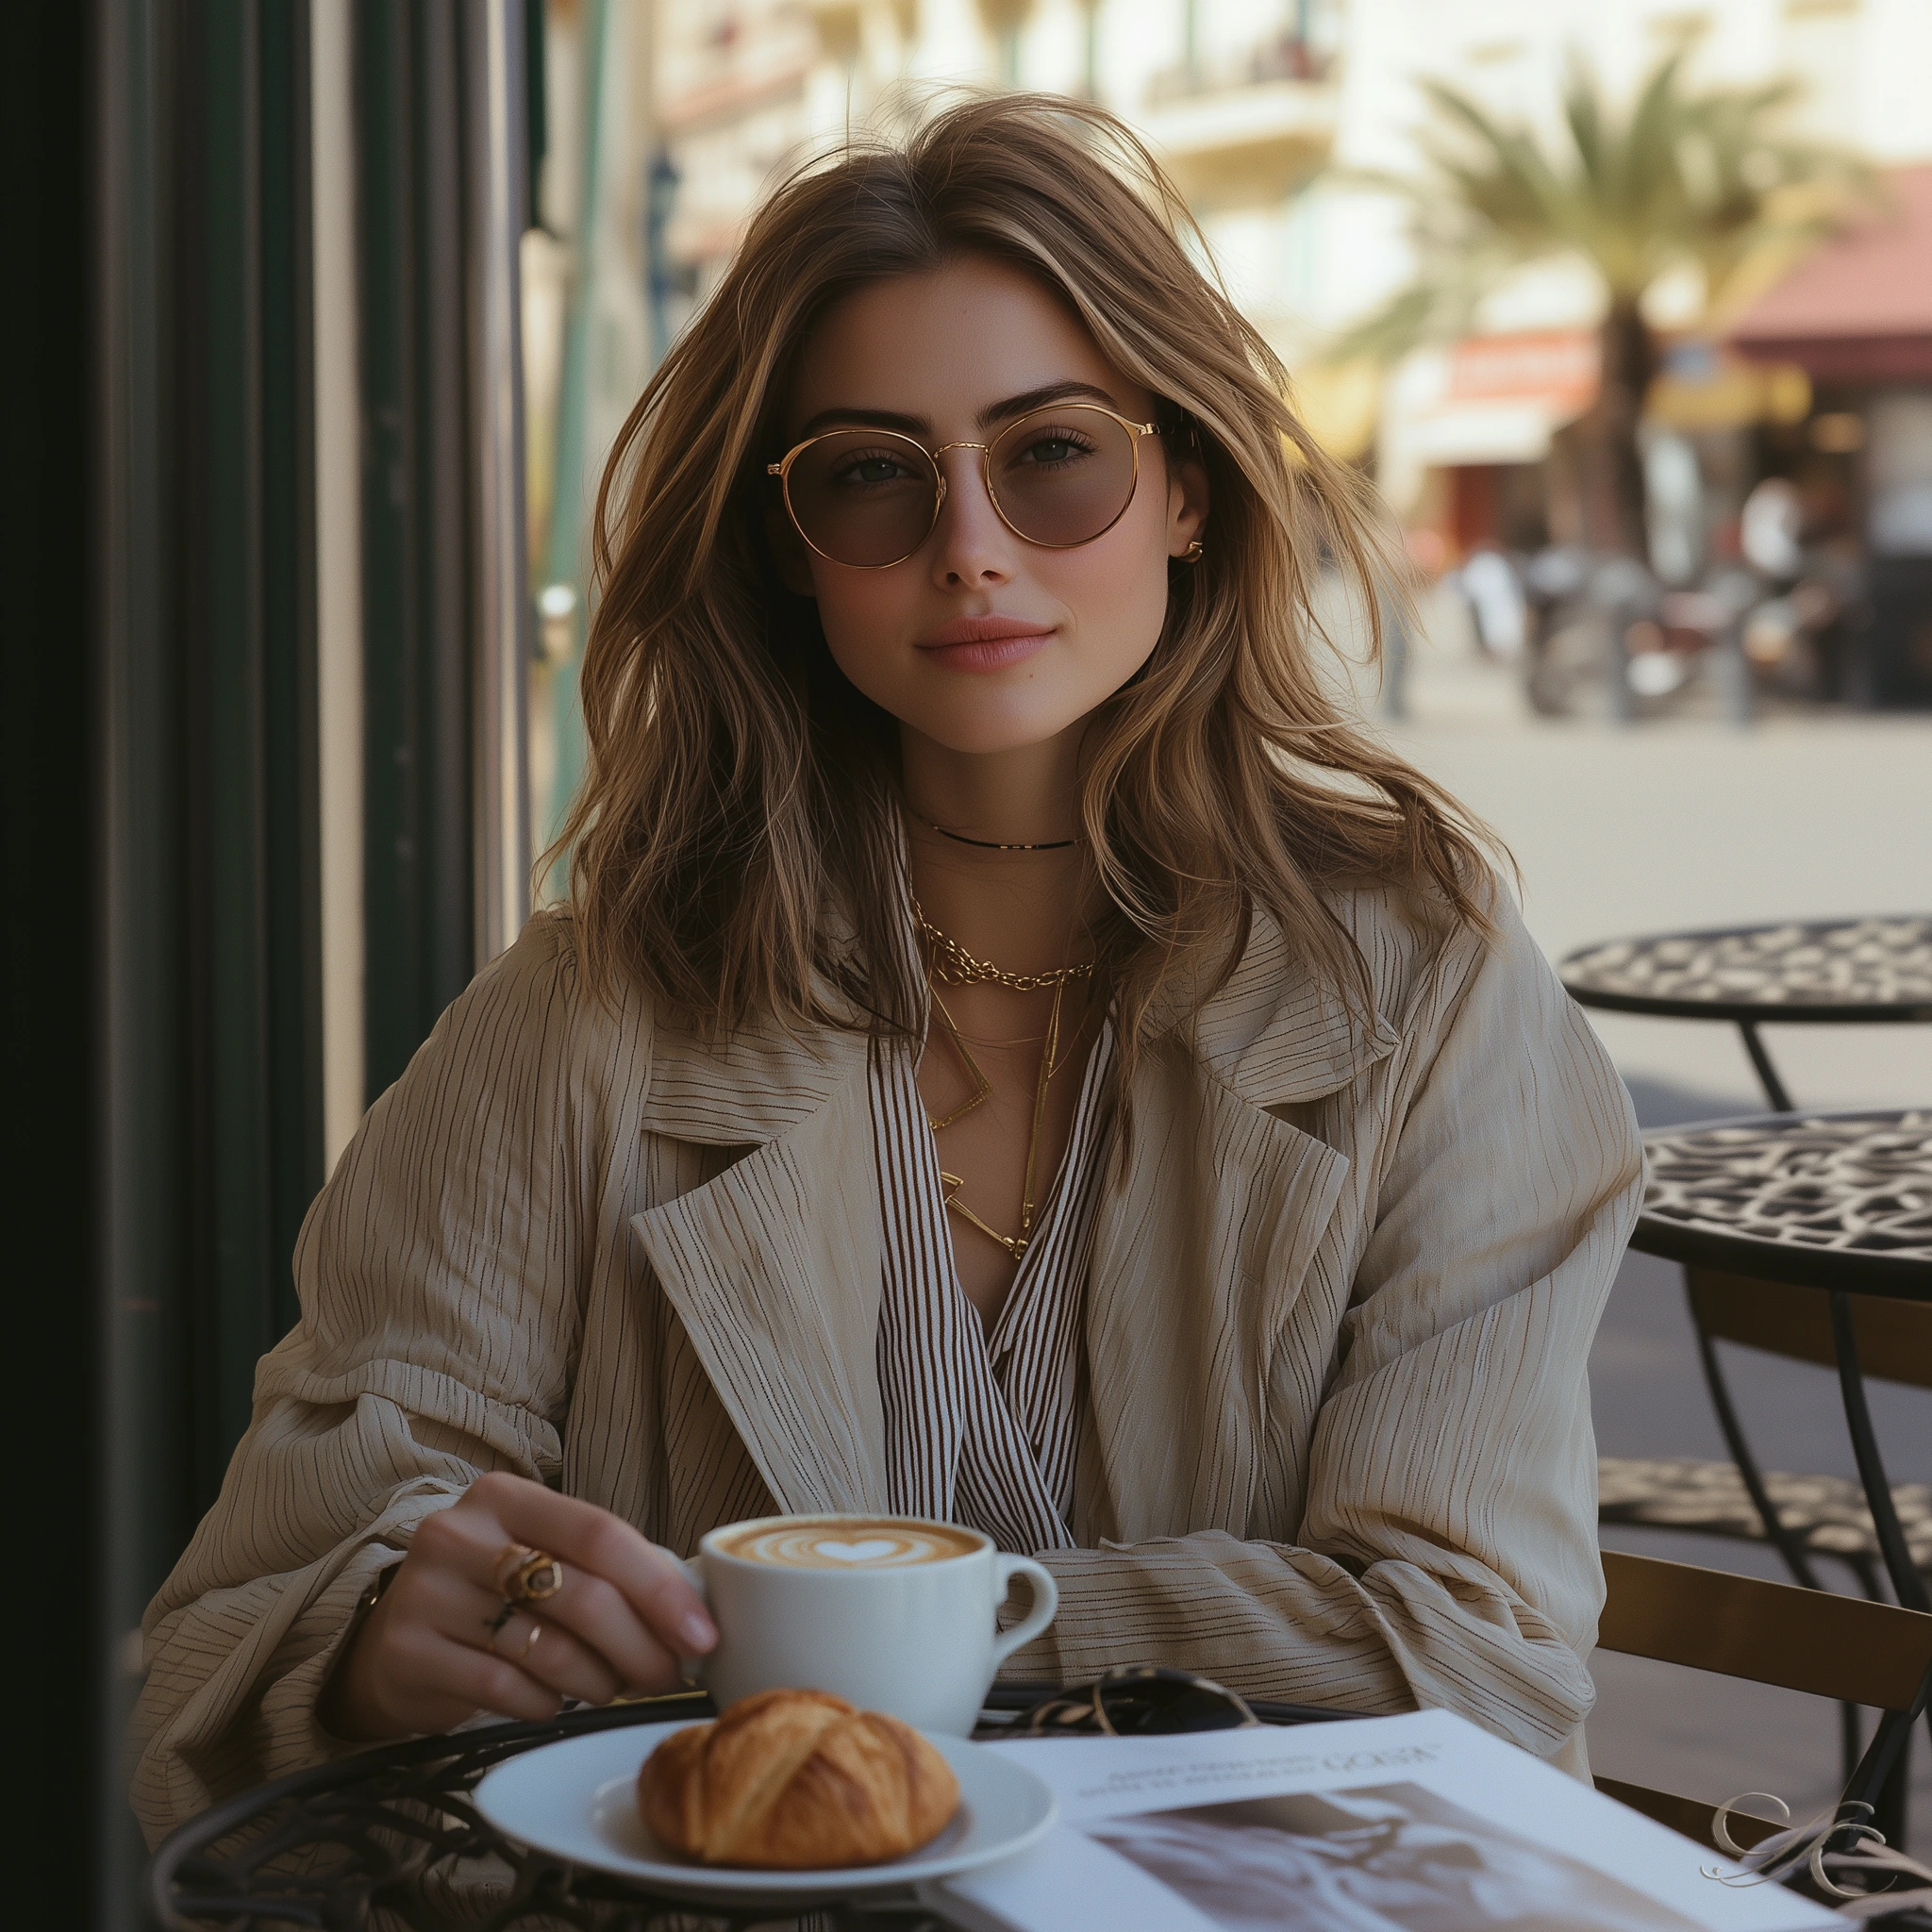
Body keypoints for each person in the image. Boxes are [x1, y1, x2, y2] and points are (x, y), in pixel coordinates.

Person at [130, 96, 1641, 1840]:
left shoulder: (1424, 994)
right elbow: (222, 1649)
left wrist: (812, 1646)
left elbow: (1479, 1664)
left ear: (1191, 494)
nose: (972, 544)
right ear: (791, 549)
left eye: (1053, 452)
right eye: (873, 474)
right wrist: (384, 1644)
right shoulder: (591, 1017)